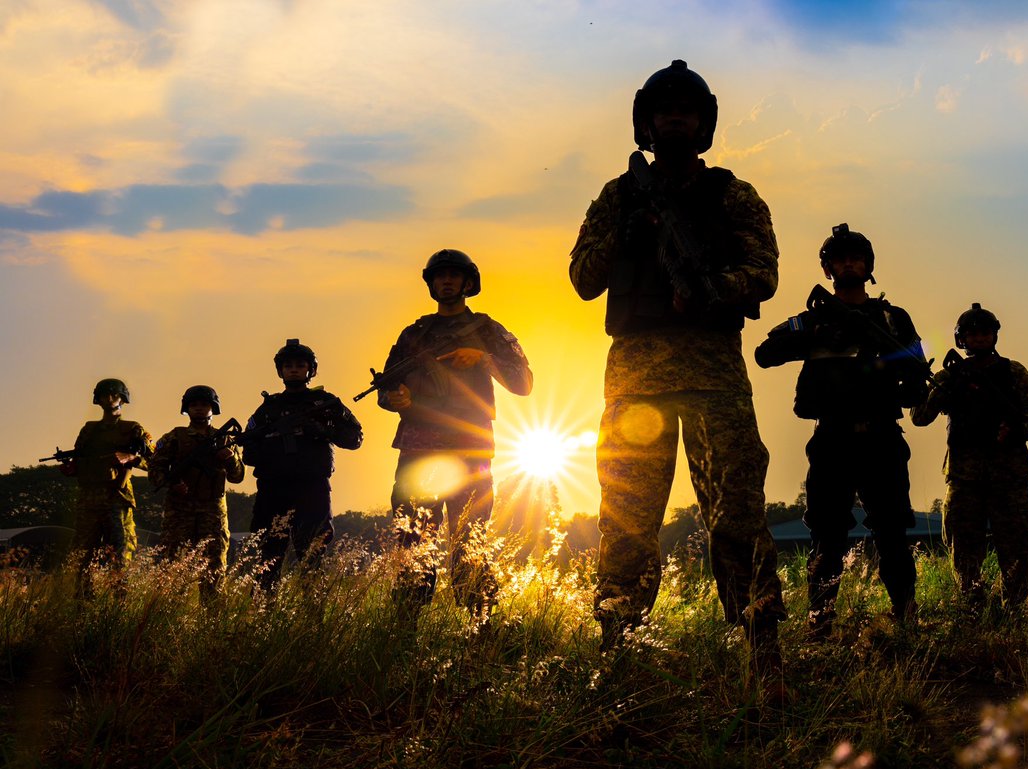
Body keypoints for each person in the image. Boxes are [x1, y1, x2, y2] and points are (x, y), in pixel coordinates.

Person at [569, 59, 786, 681]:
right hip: (635, 375)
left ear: (703, 123)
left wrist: (714, 288)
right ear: (647, 121)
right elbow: (583, 278)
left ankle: (760, 644)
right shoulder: (619, 195)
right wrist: (627, 233)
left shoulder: (732, 195)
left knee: (737, 510)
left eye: (686, 110)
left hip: (713, 371)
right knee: (628, 517)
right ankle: (617, 650)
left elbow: (763, 273)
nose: (674, 118)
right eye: (664, 110)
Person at [755, 224, 928, 639]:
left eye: (856, 257)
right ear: (829, 268)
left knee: (892, 531)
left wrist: (890, 364)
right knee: (827, 533)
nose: (848, 263)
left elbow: (918, 378)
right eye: (840, 259)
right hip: (832, 438)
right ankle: (820, 620)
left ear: (869, 266)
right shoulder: (813, 318)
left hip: (883, 436)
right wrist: (816, 334)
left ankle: (906, 616)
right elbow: (765, 353)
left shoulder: (892, 319)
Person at [378, 249, 532, 618]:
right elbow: (385, 390)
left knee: (470, 542)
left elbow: (523, 383)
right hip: (419, 449)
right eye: (440, 275)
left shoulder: (487, 330)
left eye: (453, 275)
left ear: (468, 283)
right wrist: (395, 398)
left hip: (470, 450)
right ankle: (405, 631)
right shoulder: (413, 335)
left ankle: (479, 631)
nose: (446, 281)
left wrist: (483, 358)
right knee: (413, 543)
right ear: (430, 283)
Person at [910, 304, 1028, 610]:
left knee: (1017, 546)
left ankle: (1018, 610)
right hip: (963, 475)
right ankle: (972, 607)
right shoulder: (949, 375)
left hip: (1009, 474)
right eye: (973, 333)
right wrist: (935, 392)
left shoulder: (1014, 372)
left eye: (985, 332)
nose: (980, 338)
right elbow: (919, 416)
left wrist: (1017, 430)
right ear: (962, 339)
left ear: (994, 335)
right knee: (963, 545)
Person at [242, 339, 363, 592]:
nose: (294, 370)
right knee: (268, 558)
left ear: (311, 370)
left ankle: (312, 620)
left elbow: (354, 438)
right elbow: (249, 451)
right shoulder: (268, 409)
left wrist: (321, 430)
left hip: (312, 489)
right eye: (288, 366)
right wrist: (265, 448)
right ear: (281, 371)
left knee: (311, 555)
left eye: (300, 365)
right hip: (273, 490)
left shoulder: (325, 403)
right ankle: (263, 615)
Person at [148, 385, 245, 601]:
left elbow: (237, 477)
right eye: (194, 405)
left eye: (204, 405)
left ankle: (212, 622)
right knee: (174, 566)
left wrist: (229, 458)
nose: (199, 409)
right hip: (180, 511)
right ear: (186, 409)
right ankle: (170, 617)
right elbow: (155, 470)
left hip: (213, 511)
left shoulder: (224, 439)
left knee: (214, 569)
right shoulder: (175, 437)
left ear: (213, 409)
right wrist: (172, 484)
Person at [59, 378, 154, 579]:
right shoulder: (89, 430)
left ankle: (120, 605)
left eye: (114, 395)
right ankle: (83, 604)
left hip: (116, 498)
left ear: (123, 398)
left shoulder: (132, 429)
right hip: (89, 500)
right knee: (83, 556)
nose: (109, 399)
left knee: (120, 557)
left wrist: (132, 457)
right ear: (98, 399)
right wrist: (71, 468)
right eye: (104, 395)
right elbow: (80, 461)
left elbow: (153, 461)